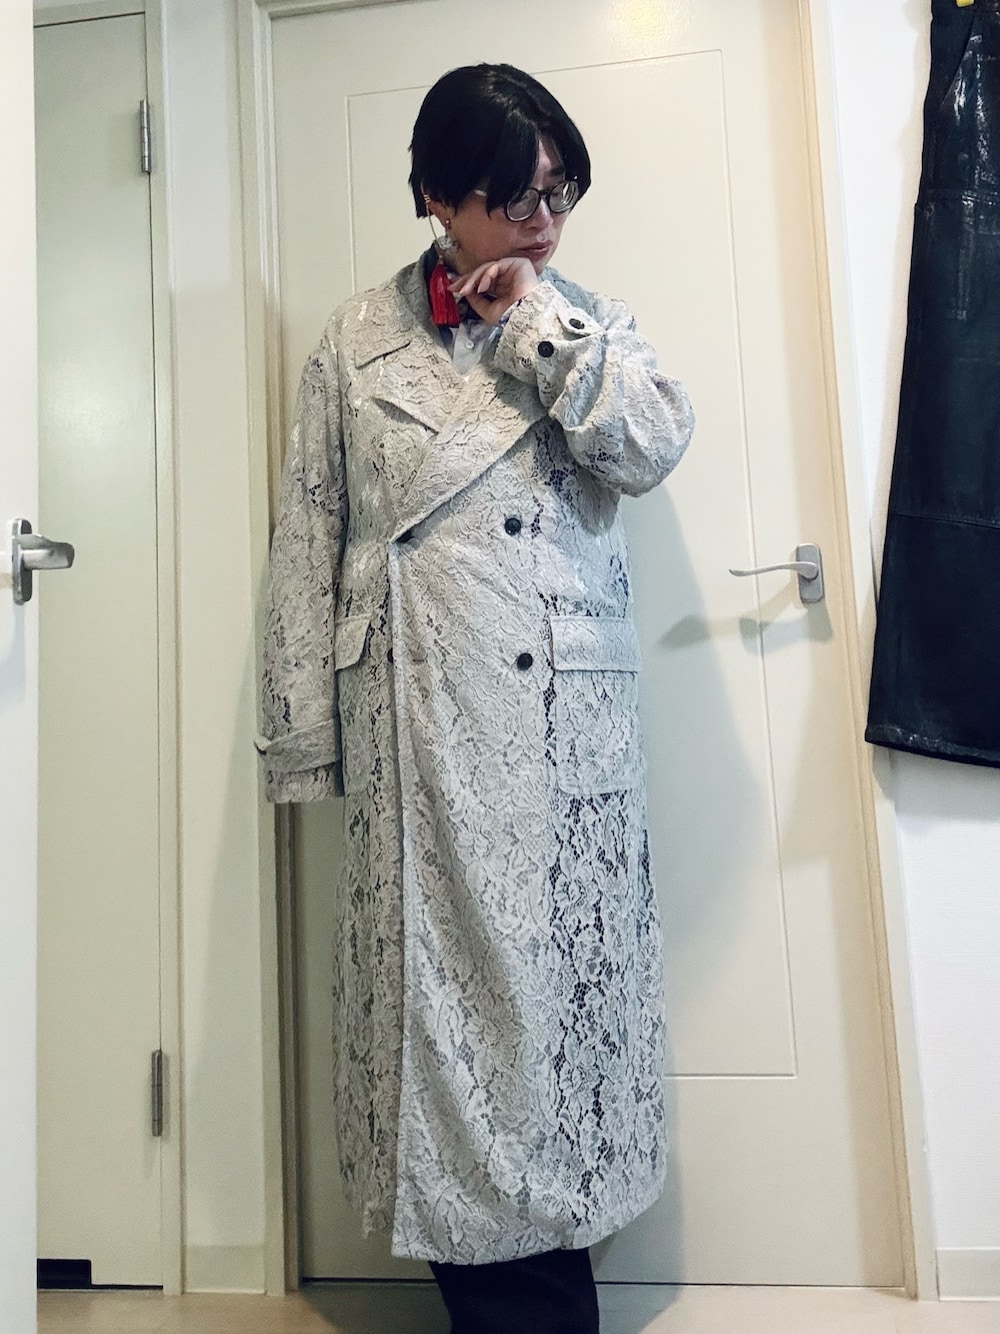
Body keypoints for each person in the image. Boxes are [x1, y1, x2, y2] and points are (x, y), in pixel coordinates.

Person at [257, 63, 694, 1334]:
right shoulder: (355, 340)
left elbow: (653, 446)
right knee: (443, 1024)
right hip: (413, 725)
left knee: (550, 1034)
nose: (543, 221)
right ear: (438, 197)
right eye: (512, 197)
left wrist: (536, 330)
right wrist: (301, 734)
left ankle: (538, 1297)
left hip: (555, 737)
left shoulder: (588, 321)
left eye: (559, 191)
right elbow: (311, 532)